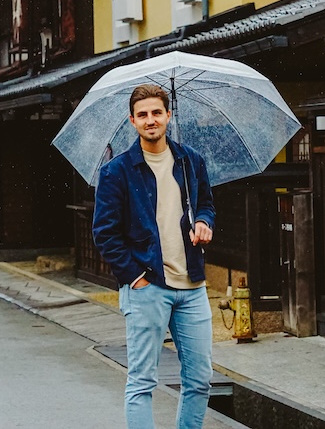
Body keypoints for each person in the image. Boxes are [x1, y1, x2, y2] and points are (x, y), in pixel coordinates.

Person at [92, 84, 216, 429]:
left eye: (156, 113)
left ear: (168, 116)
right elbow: (105, 232)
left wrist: (204, 222)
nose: (151, 120)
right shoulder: (117, 171)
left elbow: (205, 204)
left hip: (192, 285)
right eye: (143, 115)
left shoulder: (191, 160)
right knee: (142, 381)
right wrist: (136, 277)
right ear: (132, 121)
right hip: (147, 286)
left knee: (200, 380)